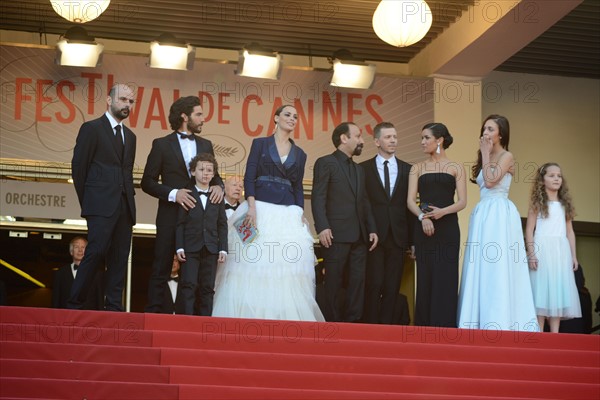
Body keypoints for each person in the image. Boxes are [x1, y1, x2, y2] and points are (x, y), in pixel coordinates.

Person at [212, 105, 324, 321]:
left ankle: (281, 317)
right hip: (259, 208)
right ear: (276, 118)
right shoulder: (260, 144)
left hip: (287, 211)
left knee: (286, 266)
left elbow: (298, 185)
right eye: (287, 115)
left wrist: (299, 211)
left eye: (295, 117)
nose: (292, 119)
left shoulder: (300, 154)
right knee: (250, 262)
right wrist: (251, 206)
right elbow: (249, 177)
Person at [141, 95, 224, 313]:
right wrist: (173, 193)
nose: (203, 119)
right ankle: (154, 315)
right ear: (184, 116)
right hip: (170, 214)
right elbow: (146, 182)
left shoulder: (206, 144)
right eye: (199, 114)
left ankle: (194, 320)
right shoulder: (161, 145)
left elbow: (215, 176)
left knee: (199, 273)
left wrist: (219, 186)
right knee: (161, 265)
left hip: (199, 220)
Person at [457, 115, 538, 331]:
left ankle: (501, 320)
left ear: (500, 133)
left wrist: (485, 153)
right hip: (483, 212)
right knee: (480, 264)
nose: (485, 133)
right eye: (484, 129)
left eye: (490, 129)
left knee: (498, 265)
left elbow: (492, 181)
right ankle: (478, 319)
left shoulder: (506, 155)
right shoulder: (488, 155)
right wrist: (484, 154)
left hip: (500, 213)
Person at [69, 83, 137, 311]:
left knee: (119, 258)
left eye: (131, 101)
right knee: (96, 250)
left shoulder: (131, 136)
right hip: (99, 204)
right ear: (109, 100)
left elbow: (126, 171)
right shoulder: (91, 128)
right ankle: (75, 302)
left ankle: (114, 307)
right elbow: (79, 168)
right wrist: (88, 201)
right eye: (123, 100)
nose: (127, 104)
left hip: (125, 206)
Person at [312, 122, 378, 322]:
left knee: (358, 282)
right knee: (333, 281)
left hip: (359, 235)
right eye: (358, 136)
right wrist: (322, 227)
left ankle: (353, 323)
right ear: (344, 138)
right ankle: (330, 324)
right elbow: (318, 197)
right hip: (335, 235)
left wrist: (372, 228)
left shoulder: (359, 170)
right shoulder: (325, 162)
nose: (362, 141)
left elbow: (364, 201)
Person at [407, 123, 467, 327]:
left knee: (446, 277)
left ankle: (445, 327)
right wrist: (423, 218)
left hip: (448, 228)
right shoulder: (417, 168)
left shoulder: (456, 167)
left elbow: (462, 202)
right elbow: (410, 201)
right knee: (425, 276)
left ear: (439, 140)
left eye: (426, 138)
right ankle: (423, 327)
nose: (422, 142)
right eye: (421, 138)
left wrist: (442, 212)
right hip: (424, 228)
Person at [360, 122, 413, 324]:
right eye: (388, 137)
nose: (393, 140)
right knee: (373, 284)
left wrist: (412, 241)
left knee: (393, 286)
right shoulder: (363, 169)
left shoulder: (409, 169)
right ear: (376, 141)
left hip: (398, 236)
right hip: (373, 236)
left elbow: (409, 206)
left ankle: (387, 331)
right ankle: (370, 329)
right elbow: (361, 205)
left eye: (395, 137)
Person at [525, 162, 581, 333]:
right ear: (542, 181)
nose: (556, 178)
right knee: (541, 289)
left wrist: (573, 256)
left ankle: (555, 335)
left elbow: (570, 232)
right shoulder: (537, 203)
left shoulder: (564, 205)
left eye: (559, 175)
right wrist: (532, 253)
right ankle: (539, 332)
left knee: (558, 288)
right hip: (542, 247)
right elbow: (529, 229)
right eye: (551, 175)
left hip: (560, 251)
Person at [175, 153, 227, 316]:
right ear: (193, 172)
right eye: (201, 169)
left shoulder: (217, 196)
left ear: (213, 174)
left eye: (209, 170)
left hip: (211, 248)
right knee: (188, 284)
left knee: (207, 288)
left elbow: (222, 224)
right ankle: (186, 323)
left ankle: (205, 325)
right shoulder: (187, 194)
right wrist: (179, 247)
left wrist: (223, 249)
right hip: (190, 247)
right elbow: (180, 224)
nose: (205, 173)